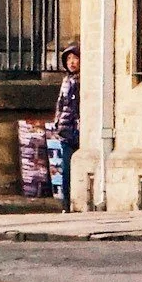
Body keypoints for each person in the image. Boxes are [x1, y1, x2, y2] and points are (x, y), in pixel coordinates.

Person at [53, 44, 82, 213]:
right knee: (66, 169)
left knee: (73, 167)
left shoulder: (82, 81)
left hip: (78, 128)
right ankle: (66, 204)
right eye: (69, 59)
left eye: (75, 58)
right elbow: (60, 103)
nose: (72, 62)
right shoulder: (66, 80)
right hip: (66, 129)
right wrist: (58, 122)